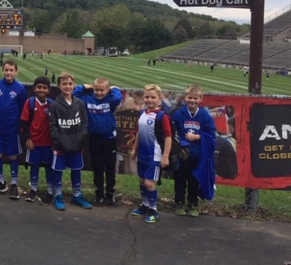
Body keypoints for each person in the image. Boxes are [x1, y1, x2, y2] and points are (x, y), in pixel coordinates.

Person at [73, 77, 122, 205]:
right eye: (96, 90)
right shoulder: (88, 100)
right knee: (97, 167)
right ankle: (99, 194)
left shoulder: (110, 100)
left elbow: (117, 98)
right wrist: (84, 86)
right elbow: (75, 94)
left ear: (107, 90)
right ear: (93, 89)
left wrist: (114, 89)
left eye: (102, 90)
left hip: (109, 139)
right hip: (94, 138)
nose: (99, 93)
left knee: (110, 167)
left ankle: (110, 193)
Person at [171, 85, 217, 217]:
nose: (192, 100)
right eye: (189, 97)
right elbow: (172, 132)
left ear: (201, 99)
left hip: (197, 156)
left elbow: (211, 135)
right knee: (180, 179)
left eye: (195, 98)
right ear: (185, 98)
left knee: (194, 180)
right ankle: (179, 202)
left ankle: (192, 203)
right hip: (182, 154)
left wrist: (196, 137)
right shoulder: (179, 114)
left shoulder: (205, 116)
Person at [48, 72, 91, 211]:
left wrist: (80, 139)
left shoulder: (80, 103)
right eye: (64, 84)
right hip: (60, 145)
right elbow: (53, 127)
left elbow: (84, 124)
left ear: (74, 85)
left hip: (76, 144)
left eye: (70, 84)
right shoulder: (55, 105)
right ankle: (58, 195)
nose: (67, 86)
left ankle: (77, 195)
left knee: (76, 169)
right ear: (59, 86)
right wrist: (60, 141)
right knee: (58, 169)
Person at [129, 84, 172, 224]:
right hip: (142, 154)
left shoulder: (161, 116)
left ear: (159, 98)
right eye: (147, 97)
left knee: (149, 183)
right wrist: (134, 149)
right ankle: (145, 205)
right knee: (142, 181)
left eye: (153, 97)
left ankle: (153, 209)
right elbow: (139, 134)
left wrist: (165, 156)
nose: (150, 100)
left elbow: (168, 137)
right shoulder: (142, 113)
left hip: (155, 156)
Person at [0, 59, 27, 198]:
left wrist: (18, 125)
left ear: (16, 72)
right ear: (2, 70)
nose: (8, 72)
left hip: (11, 128)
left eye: (11, 70)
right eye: (6, 70)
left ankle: (14, 183)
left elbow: (22, 108)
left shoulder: (20, 89)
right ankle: (1, 182)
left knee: (12, 154)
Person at [20, 76, 54, 204]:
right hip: (34, 142)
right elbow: (24, 122)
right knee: (34, 166)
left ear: (49, 90)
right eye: (39, 87)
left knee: (48, 167)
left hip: (48, 143)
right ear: (34, 89)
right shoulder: (30, 102)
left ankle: (50, 191)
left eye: (45, 88)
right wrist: (28, 139)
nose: (42, 90)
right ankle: (33, 189)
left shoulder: (51, 103)